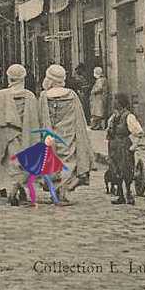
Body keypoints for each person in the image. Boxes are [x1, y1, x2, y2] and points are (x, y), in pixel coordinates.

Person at [0, 64, 47, 205]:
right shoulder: (29, 96)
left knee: (12, 162)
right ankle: (17, 189)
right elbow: (36, 118)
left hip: (8, 134)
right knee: (23, 163)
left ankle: (14, 189)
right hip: (26, 134)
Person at [38, 64, 95, 204]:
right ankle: (63, 190)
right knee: (68, 161)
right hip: (67, 132)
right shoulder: (71, 95)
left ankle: (55, 191)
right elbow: (78, 117)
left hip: (49, 131)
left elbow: (40, 117)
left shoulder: (44, 96)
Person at [106, 93, 143, 206]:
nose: (114, 102)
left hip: (124, 146)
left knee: (125, 170)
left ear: (121, 102)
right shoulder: (113, 117)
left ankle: (129, 194)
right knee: (115, 171)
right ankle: (120, 195)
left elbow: (139, 132)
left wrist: (134, 146)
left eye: (116, 100)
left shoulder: (129, 116)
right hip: (114, 147)